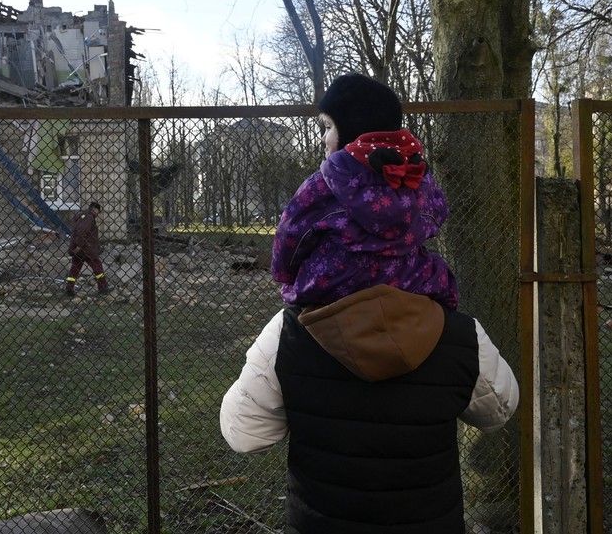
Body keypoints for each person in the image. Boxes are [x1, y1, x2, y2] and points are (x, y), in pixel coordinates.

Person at [220, 74, 520, 534]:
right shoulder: (458, 333)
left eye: (326, 126)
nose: (322, 137)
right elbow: (500, 409)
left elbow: (244, 434)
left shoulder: (288, 336)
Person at [270, 72, 458, 310]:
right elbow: (439, 214)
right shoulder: (417, 178)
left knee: (271, 343)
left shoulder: (321, 186)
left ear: (351, 130)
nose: (323, 138)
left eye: (328, 127)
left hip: (334, 289)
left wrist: (284, 275)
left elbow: (290, 237)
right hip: (411, 283)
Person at [65, 201, 110, 296]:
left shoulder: (81, 215)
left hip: (79, 248)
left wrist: (77, 245)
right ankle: (103, 287)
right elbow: (82, 231)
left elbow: (78, 231)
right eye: (98, 210)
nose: (98, 213)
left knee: (75, 268)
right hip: (86, 248)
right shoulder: (89, 217)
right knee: (97, 265)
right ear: (94, 209)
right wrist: (80, 245)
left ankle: (69, 288)